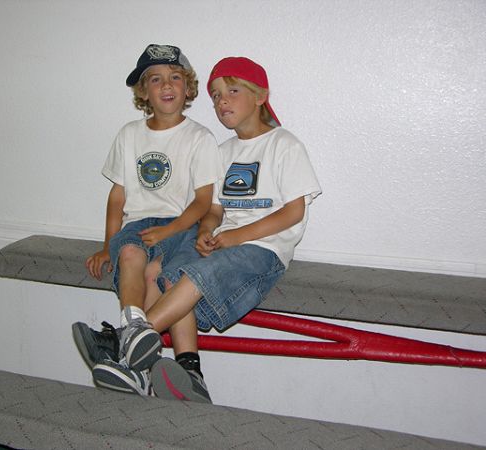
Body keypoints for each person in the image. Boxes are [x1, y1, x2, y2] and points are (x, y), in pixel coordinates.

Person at [98, 55, 322, 403]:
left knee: (196, 277)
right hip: (224, 243)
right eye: (215, 95)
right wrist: (207, 230)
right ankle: (180, 373)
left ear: (261, 96)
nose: (221, 101)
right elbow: (215, 209)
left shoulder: (284, 144)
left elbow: (294, 212)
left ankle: (123, 347)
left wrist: (234, 237)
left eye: (232, 91)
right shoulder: (224, 151)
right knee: (165, 274)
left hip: (263, 249)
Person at [72, 44, 222, 398]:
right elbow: (117, 197)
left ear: (187, 87)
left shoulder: (199, 137)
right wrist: (107, 245)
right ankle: (134, 328)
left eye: (175, 77)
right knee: (128, 255)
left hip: (181, 224)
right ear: (143, 92)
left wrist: (171, 229)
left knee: (160, 276)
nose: (166, 85)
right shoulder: (129, 135)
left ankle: (125, 348)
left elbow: (203, 201)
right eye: (155, 79)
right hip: (138, 225)